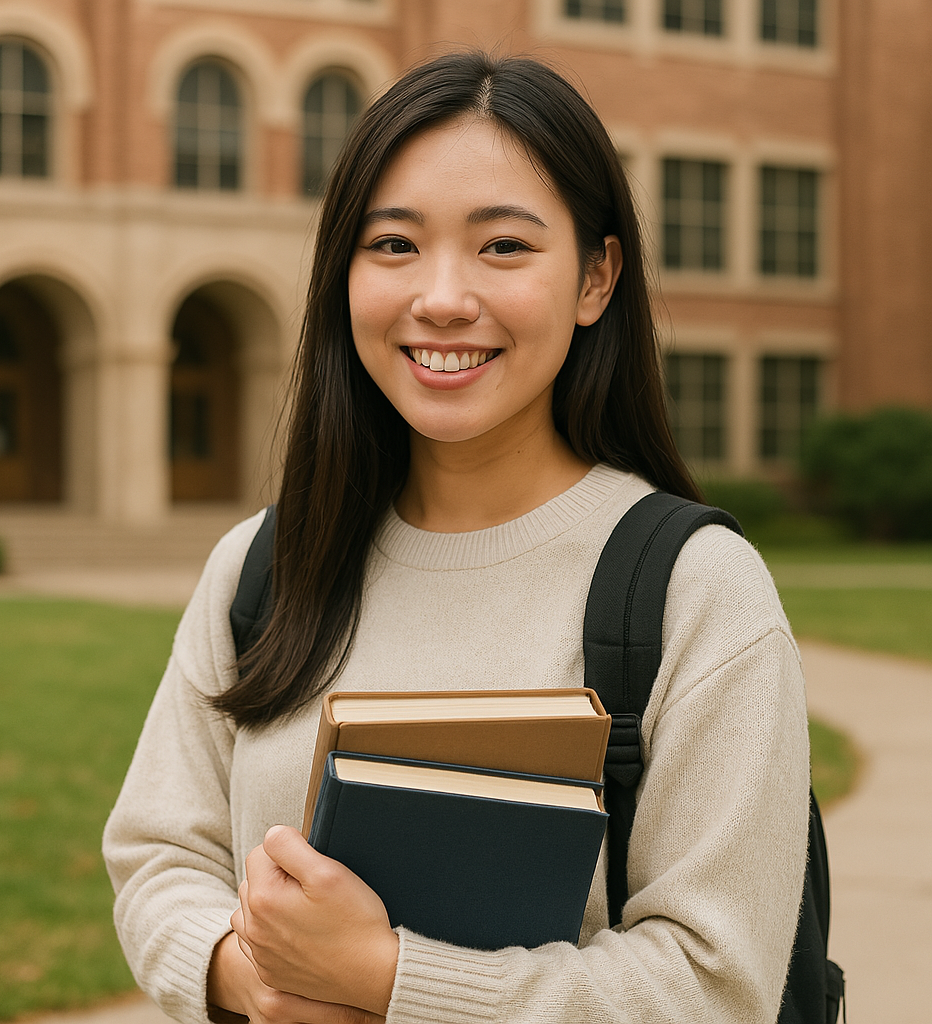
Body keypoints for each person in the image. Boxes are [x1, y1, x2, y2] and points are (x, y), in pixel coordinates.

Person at [103, 52, 810, 1024]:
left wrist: (390, 981)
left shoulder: (692, 589)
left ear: (596, 277)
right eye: (392, 245)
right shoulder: (263, 566)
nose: (440, 297)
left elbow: (713, 984)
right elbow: (158, 855)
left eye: (504, 248)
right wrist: (241, 973)